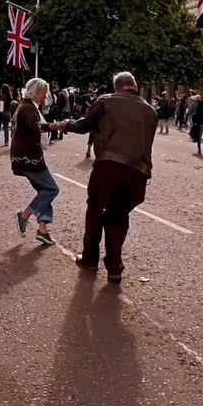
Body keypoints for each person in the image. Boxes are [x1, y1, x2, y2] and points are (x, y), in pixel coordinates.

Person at [63, 71, 158, 283]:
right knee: (119, 214)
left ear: (117, 87)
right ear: (134, 85)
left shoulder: (106, 101)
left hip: (109, 166)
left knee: (95, 210)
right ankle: (115, 265)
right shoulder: (151, 111)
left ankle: (89, 259)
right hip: (138, 172)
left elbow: (83, 125)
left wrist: (65, 124)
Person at [11, 78, 61, 246]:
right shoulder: (28, 108)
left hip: (28, 157)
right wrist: (58, 125)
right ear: (35, 92)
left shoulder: (26, 106)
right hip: (29, 159)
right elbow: (38, 126)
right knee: (52, 189)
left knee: (44, 190)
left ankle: (42, 230)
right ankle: (24, 216)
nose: (45, 96)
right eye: (43, 93)